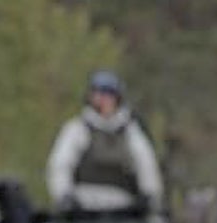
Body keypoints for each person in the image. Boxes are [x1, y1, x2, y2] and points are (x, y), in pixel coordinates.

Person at [47, 70, 163, 214]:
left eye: (108, 95)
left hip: (123, 206)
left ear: (117, 99)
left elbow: (146, 166)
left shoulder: (131, 132)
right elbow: (61, 165)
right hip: (83, 204)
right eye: (99, 94)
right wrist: (63, 195)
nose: (103, 100)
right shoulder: (77, 129)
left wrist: (150, 196)